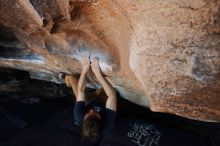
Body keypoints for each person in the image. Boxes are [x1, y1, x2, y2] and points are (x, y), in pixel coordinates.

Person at [65, 56, 117, 143]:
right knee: (111, 83)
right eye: (96, 114)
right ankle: (98, 92)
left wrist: (84, 70)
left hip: (87, 101)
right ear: (101, 120)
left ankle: (67, 81)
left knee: (72, 77)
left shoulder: (79, 116)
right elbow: (112, 96)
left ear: (84, 119)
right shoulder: (107, 125)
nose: (92, 110)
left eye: (88, 114)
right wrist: (98, 74)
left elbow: (81, 90)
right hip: (103, 102)